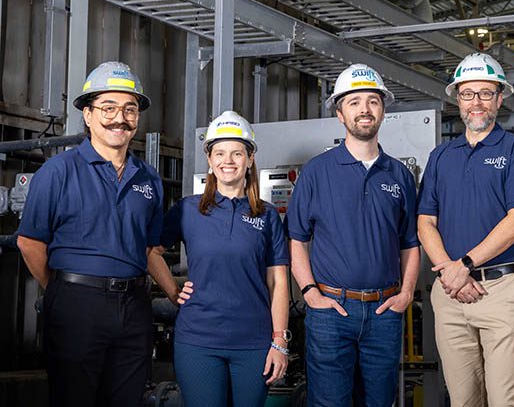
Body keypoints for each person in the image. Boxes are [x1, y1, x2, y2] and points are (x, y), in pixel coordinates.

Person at [15, 61, 163, 407]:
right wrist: (61, 289)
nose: (119, 118)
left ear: (138, 118)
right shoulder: (57, 172)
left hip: (134, 306)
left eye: (129, 109)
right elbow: (29, 242)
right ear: (88, 114)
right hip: (75, 303)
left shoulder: (149, 178)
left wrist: (171, 291)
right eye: (108, 108)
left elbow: (149, 249)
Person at [286, 64, 420, 407]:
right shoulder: (316, 172)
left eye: (372, 101)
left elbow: (410, 242)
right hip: (331, 311)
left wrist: (406, 294)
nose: (364, 109)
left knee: (379, 402)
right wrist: (310, 293)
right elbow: (297, 239)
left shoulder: (400, 175)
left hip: (384, 312)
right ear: (340, 113)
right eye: (355, 101)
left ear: (383, 110)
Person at [417, 52, 514, 407]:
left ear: (500, 98)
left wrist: (464, 265)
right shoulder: (441, 155)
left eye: (486, 93)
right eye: (469, 94)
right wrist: (450, 273)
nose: (477, 103)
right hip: (450, 292)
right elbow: (425, 222)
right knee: (463, 399)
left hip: (500, 290)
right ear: (458, 99)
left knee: (504, 398)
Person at [148, 110, 290, 407]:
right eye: (220, 153)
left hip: (254, 342)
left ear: (250, 159)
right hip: (198, 341)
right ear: (210, 161)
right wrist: (172, 289)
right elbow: (150, 252)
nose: (228, 161)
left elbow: (277, 281)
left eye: (237, 153)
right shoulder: (188, 209)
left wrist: (280, 341)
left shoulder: (266, 216)